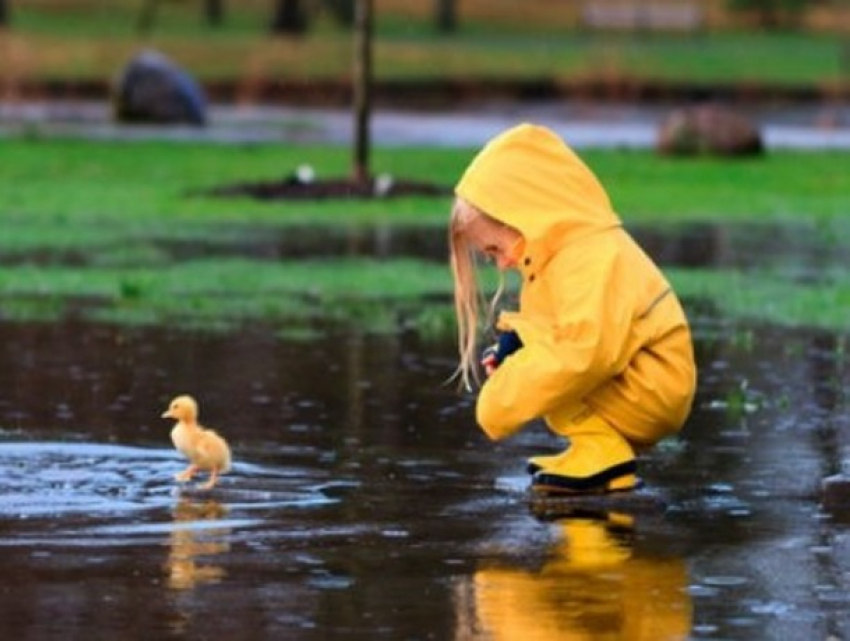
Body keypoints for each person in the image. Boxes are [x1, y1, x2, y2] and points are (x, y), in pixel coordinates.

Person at [448, 123, 697, 494]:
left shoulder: (592, 255)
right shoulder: (556, 258)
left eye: (496, 250)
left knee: (554, 370)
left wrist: (501, 400)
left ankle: (605, 455)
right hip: (637, 382)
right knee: (544, 366)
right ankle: (596, 449)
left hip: (653, 390)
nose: (501, 265)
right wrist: (514, 348)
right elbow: (551, 326)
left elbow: (587, 351)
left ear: (523, 217)